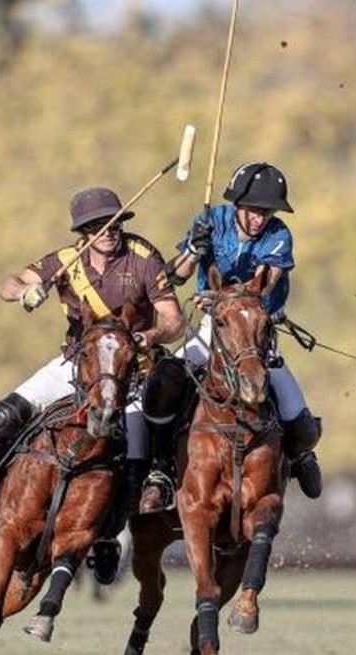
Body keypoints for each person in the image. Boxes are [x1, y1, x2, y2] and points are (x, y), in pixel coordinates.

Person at [0, 186, 186, 580]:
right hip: (76, 364)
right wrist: (26, 292)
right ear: (83, 231)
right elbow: (7, 284)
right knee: (1, 417)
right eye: (98, 226)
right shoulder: (66, 261)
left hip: (131, 370)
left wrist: (150, 337)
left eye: (114, 223)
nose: (109, 231)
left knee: (133, 462)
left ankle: (105, 537)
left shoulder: (143, 258)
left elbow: (174, 321)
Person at [139, 161, 323, 514]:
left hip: (255, 331)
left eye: (266, 212)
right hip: (214, 327)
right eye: (254, 211)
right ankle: (160, 471)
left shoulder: (279, 234)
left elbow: (265, 281)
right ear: (238, 204)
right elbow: (174, 277)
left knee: (296, 413)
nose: (260, 219)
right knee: (164, 381)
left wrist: (230, 297)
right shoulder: (211, 220)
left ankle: (300, 455)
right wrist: (193, 251)